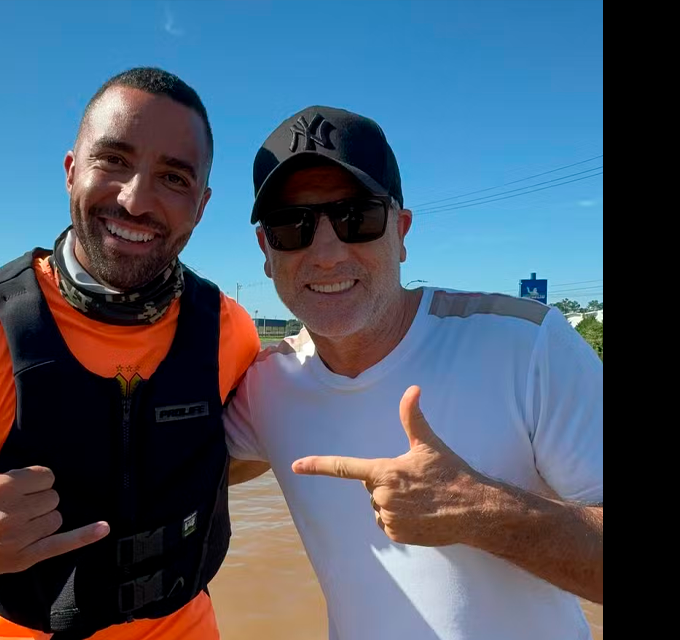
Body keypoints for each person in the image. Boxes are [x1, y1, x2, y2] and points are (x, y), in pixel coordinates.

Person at [0, 67, 263, 640]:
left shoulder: (229, 331)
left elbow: (252, 449)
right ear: (71, 170)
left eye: (173, 178)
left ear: (201, 206)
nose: (135, 199)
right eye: (113, 160)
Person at [224, 106, 603, 640]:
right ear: (267, 251)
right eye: (293, 226)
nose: (327, 253)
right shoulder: (267, 384)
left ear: (400, 231)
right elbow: (193, 466)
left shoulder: (528, 343)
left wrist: (482, 511)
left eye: (357, 217)